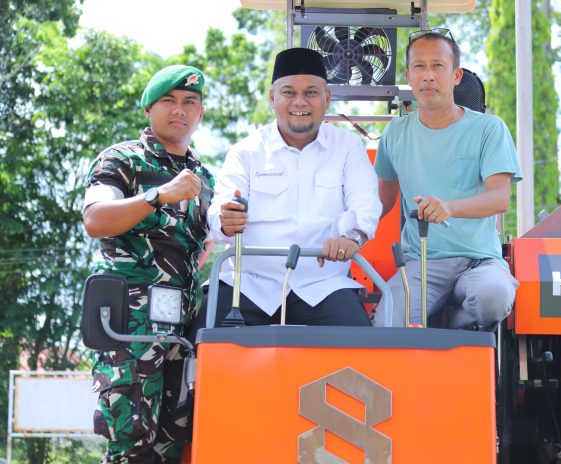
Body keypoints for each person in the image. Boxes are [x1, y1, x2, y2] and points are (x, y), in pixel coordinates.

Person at [82, 64, 214, 463]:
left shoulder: (204, 177)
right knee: (131, 446)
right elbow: (95, 218)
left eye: (190, 102)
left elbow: (200, 246)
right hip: (130, 330)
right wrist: (158, 195)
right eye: (168, 101)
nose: (180, 110)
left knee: (171, 448)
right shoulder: (123, 159)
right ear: (148, 109)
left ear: (200, 113)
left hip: (180, 335)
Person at [198, 47, 380, 328]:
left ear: (327, 98)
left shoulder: (348, 147)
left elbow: (366, 202)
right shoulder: (246, 151)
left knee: (359, 345)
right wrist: (225, 219)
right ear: (273, 98)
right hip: (249, 285)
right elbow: (220, 207)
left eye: (310, 92)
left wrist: (352, 237)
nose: (300, 101)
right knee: (207, 339)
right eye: (288, 92)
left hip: (323, 285)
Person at [372, 29, 522, 331]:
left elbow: (499, 198)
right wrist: (346, 232)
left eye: (438, 66)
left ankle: (455, 325)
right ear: (408, 76)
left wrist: (449, 208)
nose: (428, 75)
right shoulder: (395, 133)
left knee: (493, 297)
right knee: (387, 323)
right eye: (419, 66)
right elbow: (379, 204)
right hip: (421, 263)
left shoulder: (489, 128)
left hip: (479, 261)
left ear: (456, 75)